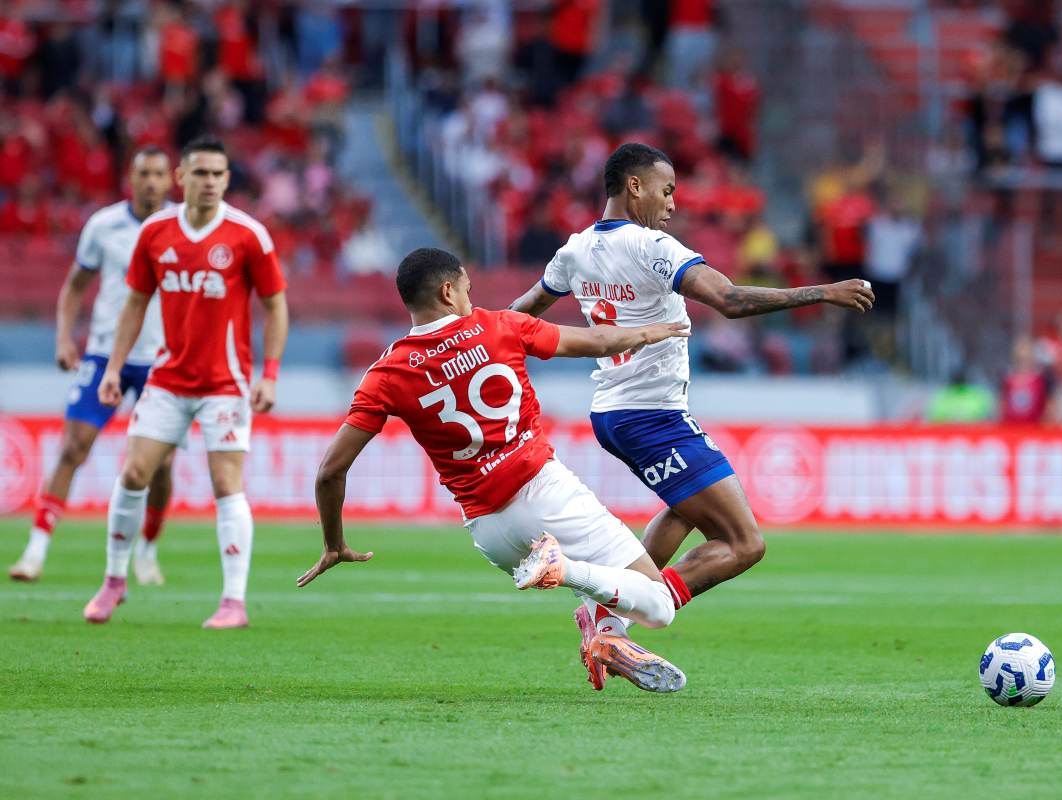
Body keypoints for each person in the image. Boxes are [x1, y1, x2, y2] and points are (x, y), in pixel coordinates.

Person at [507, 143, 873, 652]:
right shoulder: (652, 246)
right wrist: (819, 291)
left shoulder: (574, 250)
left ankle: (608, 615)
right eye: (667, 189)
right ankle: (621, 614)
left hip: (617, 411)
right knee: (745, 544)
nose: (673, 203)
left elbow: (520, 315)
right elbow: (727, 298)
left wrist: (468, 345)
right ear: (635, 186)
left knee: (687, 507)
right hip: (649, 416)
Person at [299, 248, 688, 693]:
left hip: (491, 533)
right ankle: (568, 573)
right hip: (543, 490)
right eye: (466, 287)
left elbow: (330, 471)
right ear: (448, 291)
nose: (470, 295)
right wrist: (650, 332)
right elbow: (595, 343)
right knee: (658, 604)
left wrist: (334, 543)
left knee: (600, 580)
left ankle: (606, 638)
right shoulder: (498, 325)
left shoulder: (386, 372)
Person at [82, 136, 289, 629]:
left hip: (226, 382)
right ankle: (114, 582)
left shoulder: (248, 234)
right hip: (169, 377)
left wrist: (270, 374)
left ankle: (233, 602)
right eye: (201, 173)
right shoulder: (155, 233)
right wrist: (113, 367)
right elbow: (133, 302)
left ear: (227, 179)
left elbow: (275, 305)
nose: (210, 182)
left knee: (225, 483)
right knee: (134, 474)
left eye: (219, 174)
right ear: (182, 177)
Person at [10, 146, 176, 585]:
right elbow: (74, 288)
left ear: (170, 179)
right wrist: (64, 337)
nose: (152, 182)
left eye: (160, 174)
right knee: (72, 447)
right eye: (145, 174)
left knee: (161, 465)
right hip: (106, 353)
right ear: (131, 177)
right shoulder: (103, 226)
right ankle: (35, 551)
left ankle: (148, 549)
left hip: (164, 359)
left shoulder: (182, 225)